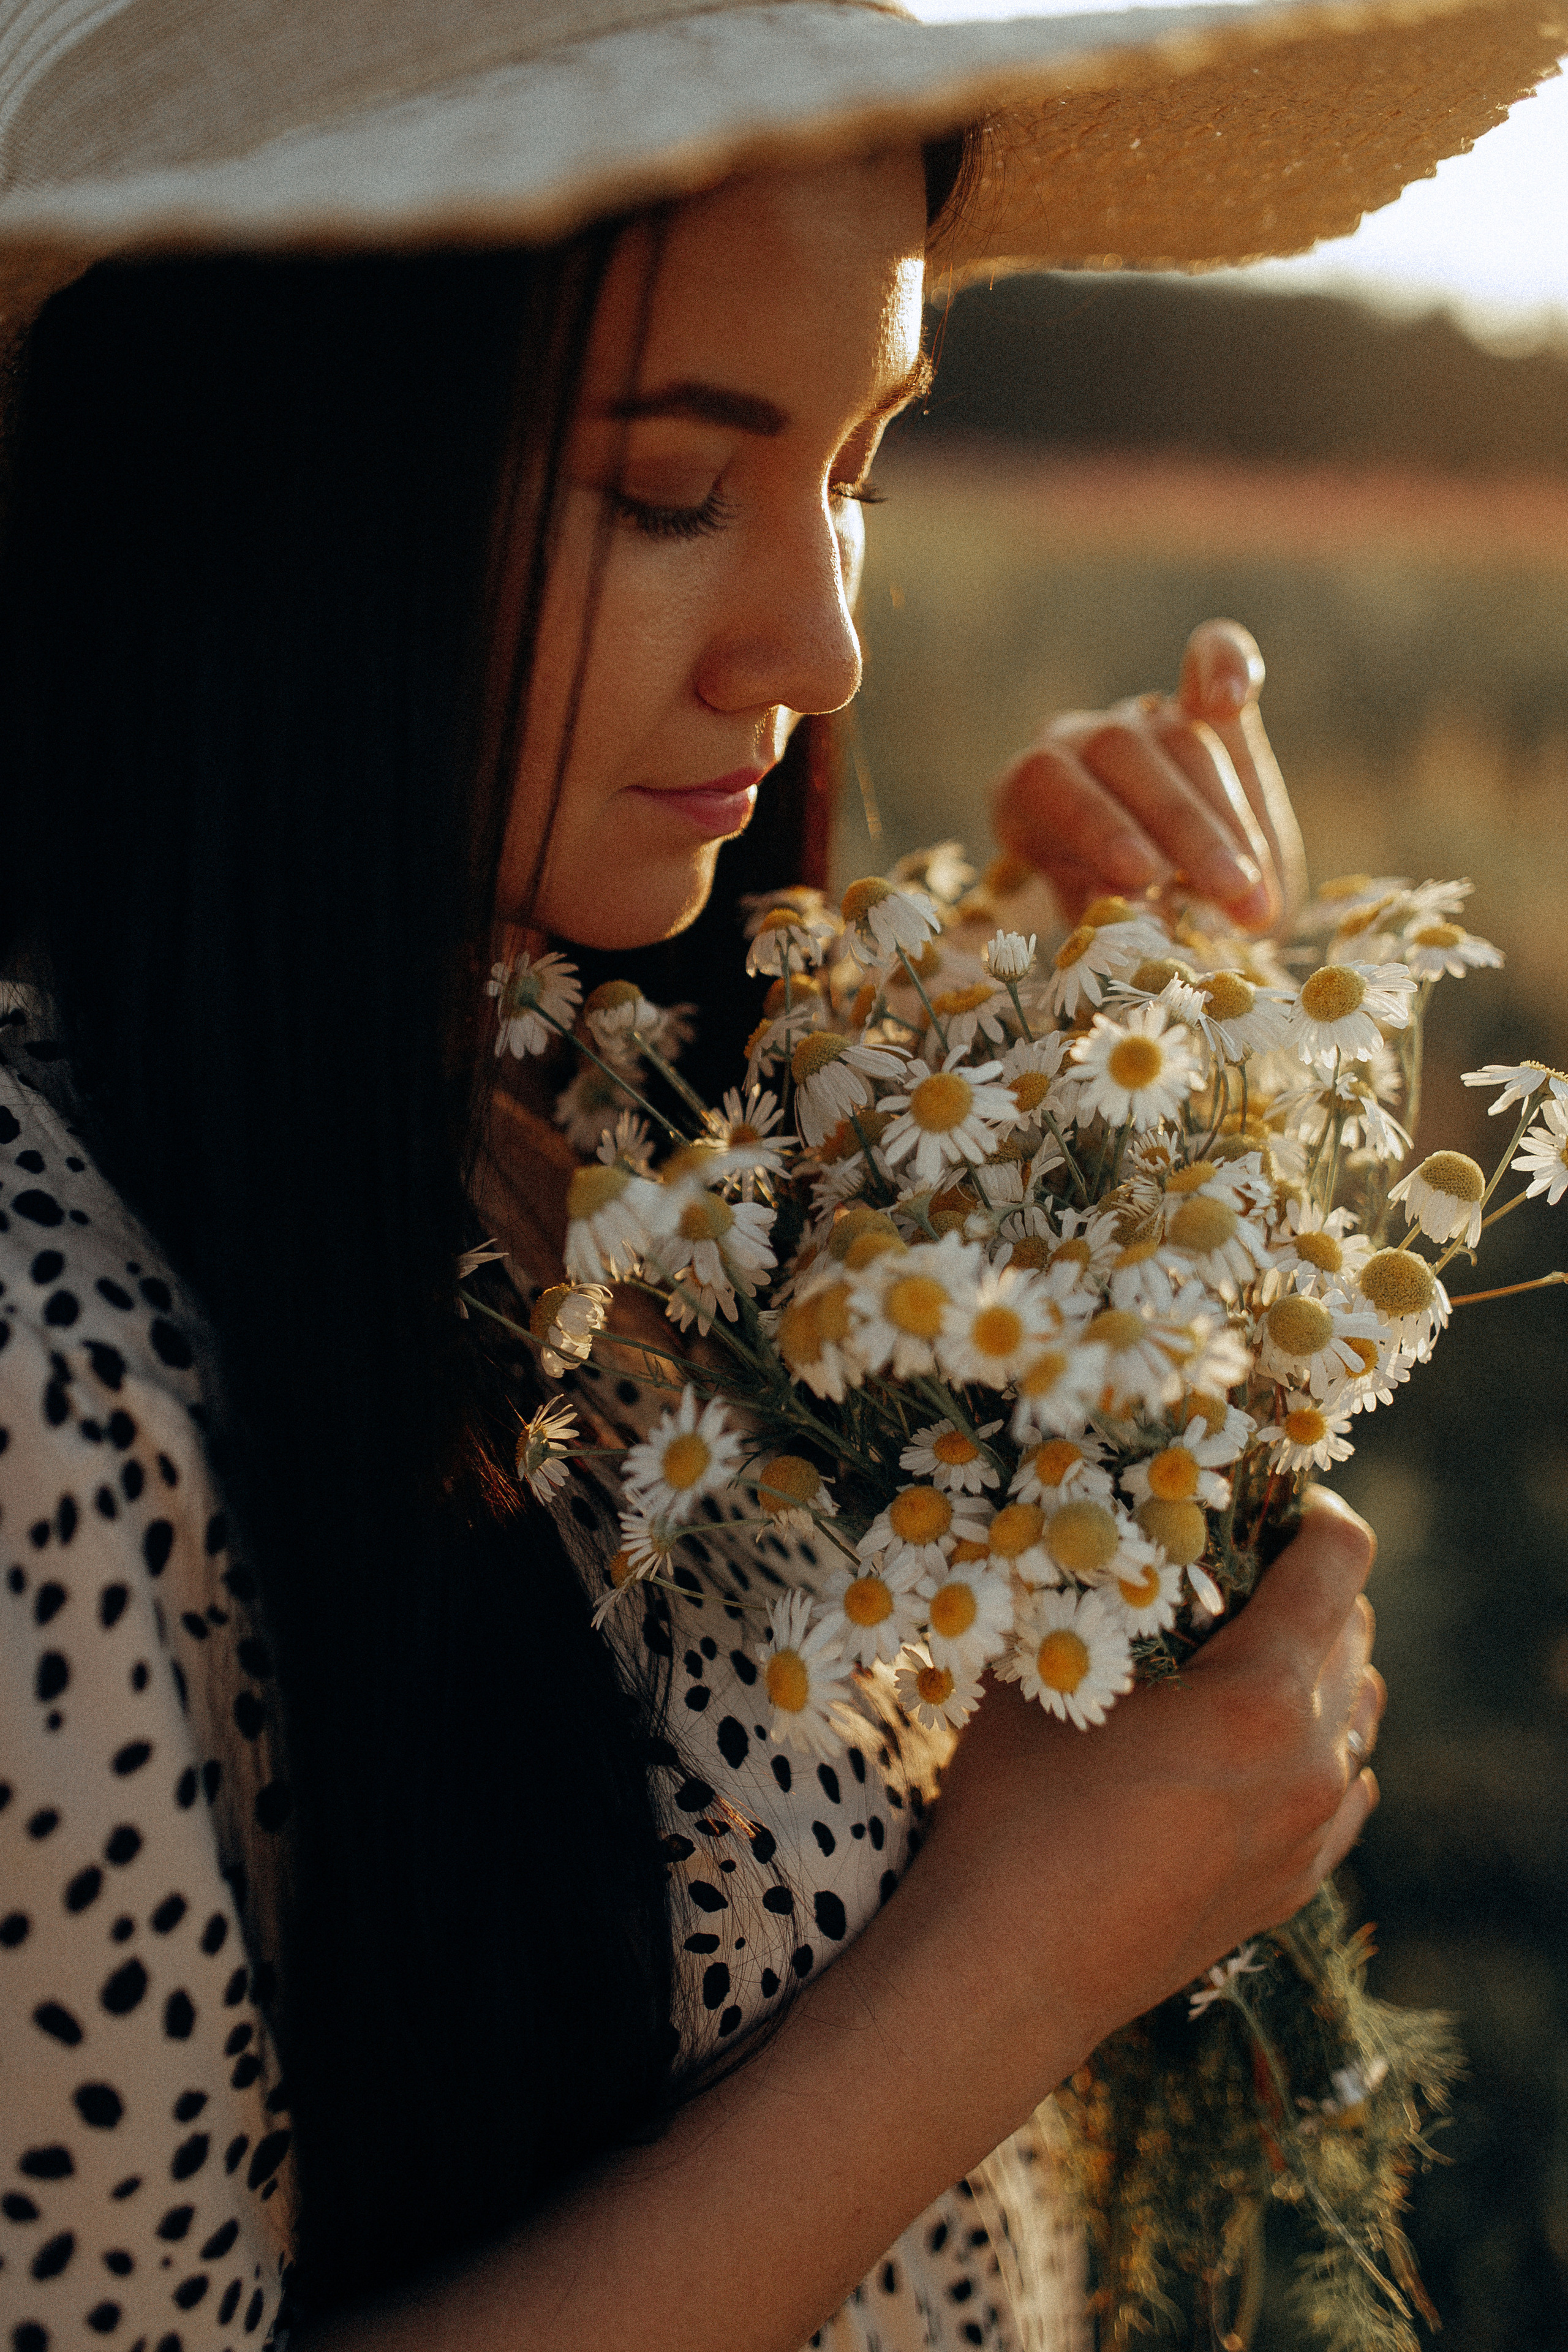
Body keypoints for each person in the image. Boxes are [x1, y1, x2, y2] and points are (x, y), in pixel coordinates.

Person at [0, 3, 1556, 2348]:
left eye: (861, 466)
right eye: (667, 491)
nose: (822, 646)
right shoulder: (51, 1379)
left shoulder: (626, 1110)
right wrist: (1023, 1954)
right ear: (264, 482)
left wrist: (1108, 1079)